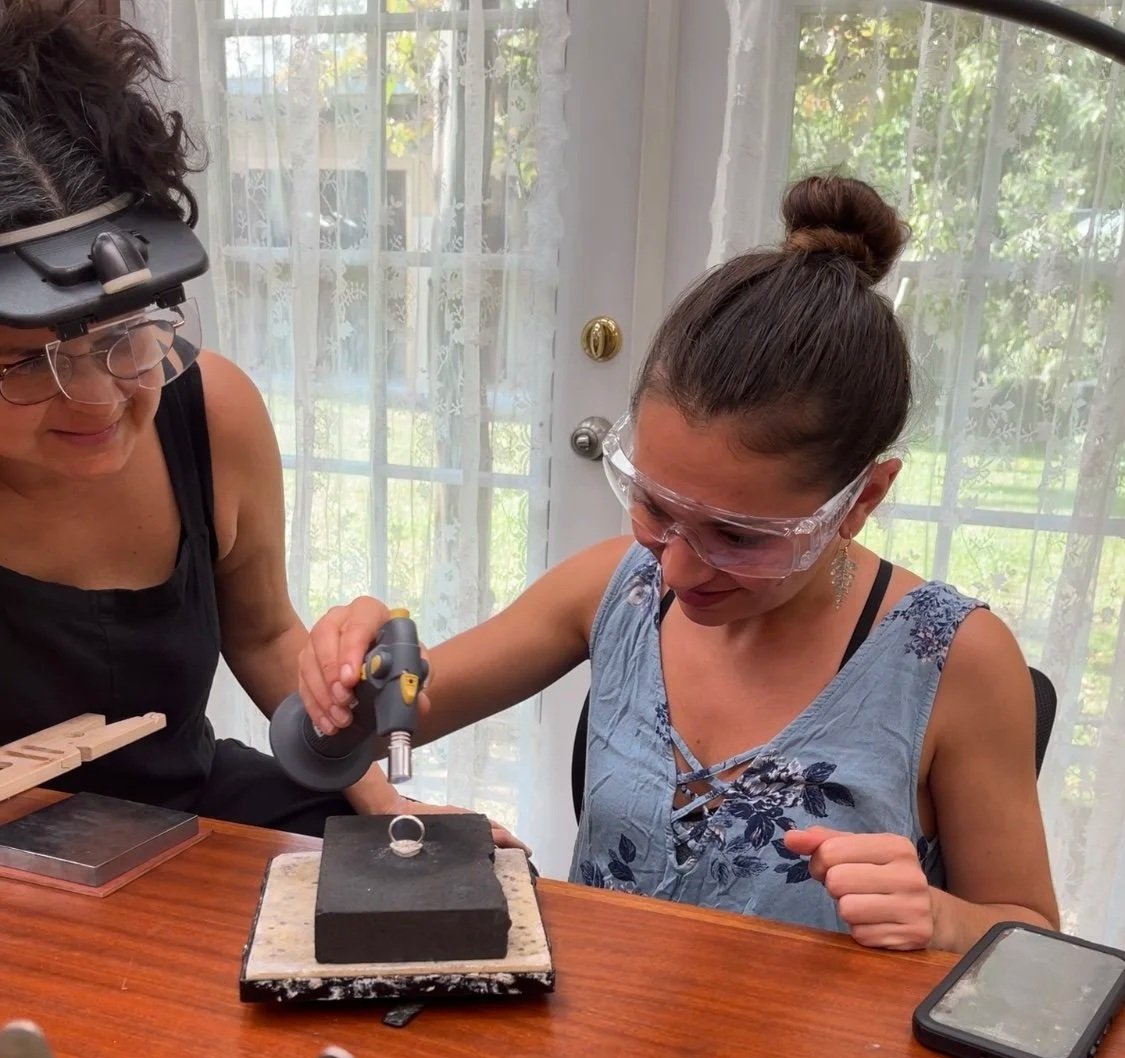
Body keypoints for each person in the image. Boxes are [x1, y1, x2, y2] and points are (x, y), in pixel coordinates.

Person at [300, 173, 1060, 952]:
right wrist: (347, 675)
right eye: (656, 508)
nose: (679, 571)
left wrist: (941, 918)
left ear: (861, 498)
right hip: (602, 1042)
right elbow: (354, 735)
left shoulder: (953, 660)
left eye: (739, 536)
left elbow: (1032, 936)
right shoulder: (614, 587)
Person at [0, 0, 517, 843]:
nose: (98, 398)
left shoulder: (209, 410)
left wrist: (391, 803)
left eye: (127, 337)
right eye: (24, 361)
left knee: (445, 879)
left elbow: (266, 631)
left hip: (180, 810)